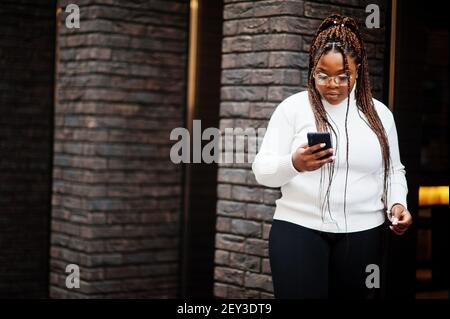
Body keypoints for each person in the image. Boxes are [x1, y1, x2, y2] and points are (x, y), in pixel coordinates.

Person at [252, 14, 413, 299]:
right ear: (312, 70)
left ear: (358, 69)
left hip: (364, 234)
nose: (333, 85)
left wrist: (398, 202)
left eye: (343, 76)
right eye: (322, 75)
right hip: (297, 230)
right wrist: (294, 163)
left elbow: (392, 171)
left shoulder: (379, 116)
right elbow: (262, 170)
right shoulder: (293, 109)